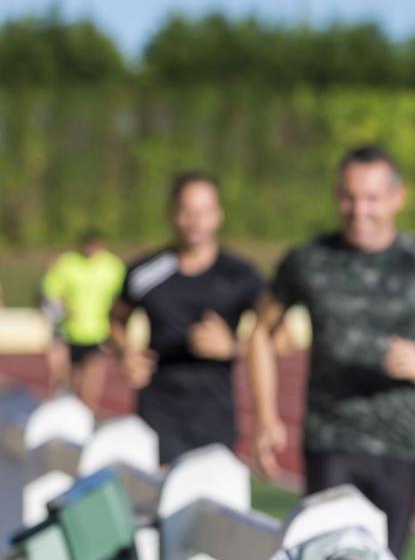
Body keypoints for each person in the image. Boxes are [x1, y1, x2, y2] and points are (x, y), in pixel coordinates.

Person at [248, 145, 415, 557]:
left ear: (396, 198)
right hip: (330, 440)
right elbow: (260, 332)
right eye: (349, 197)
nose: (358, 210)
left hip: (399, 446)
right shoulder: (309, 261)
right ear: (337, 195)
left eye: (372, 198)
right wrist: (265, 417)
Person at [110, 172, 265, 465]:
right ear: (172, 214)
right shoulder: (146, 272)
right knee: (160, 502)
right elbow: (115, 320)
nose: (195, 221)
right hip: (158, 411)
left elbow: (282, 338)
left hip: (214, 415)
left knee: (208, 504)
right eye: (187, 212)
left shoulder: (240, 275)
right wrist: (126, 353)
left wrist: (233, 347)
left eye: (204, 212)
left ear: (218, 215)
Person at [41, 231, 126, 412]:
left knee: (93, 372)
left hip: (98, 330)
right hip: (71, 330)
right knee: (70, 376)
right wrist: (62, 307)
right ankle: (70, 406)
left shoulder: (112, 266)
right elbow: (50, 289)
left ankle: (88, 411)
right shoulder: (68, 263)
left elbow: (124, 295)